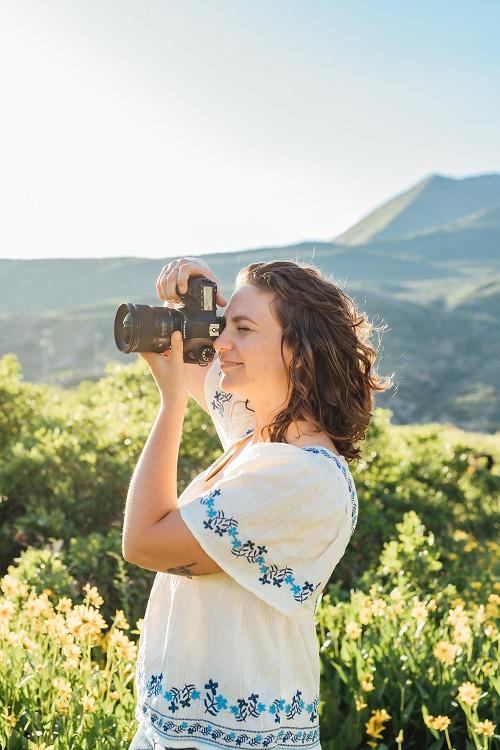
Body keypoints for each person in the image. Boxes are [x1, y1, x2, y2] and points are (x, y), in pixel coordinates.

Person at [123, 257, 389, 750]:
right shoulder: (259, 433)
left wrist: (170, 406)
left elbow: (143, 543)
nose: (223, 342)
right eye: (225, 327)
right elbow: (195, 362)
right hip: (179, 730)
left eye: (243, 329)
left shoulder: (299, 476)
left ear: (300, 352)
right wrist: (190, 301)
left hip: (238, 740)